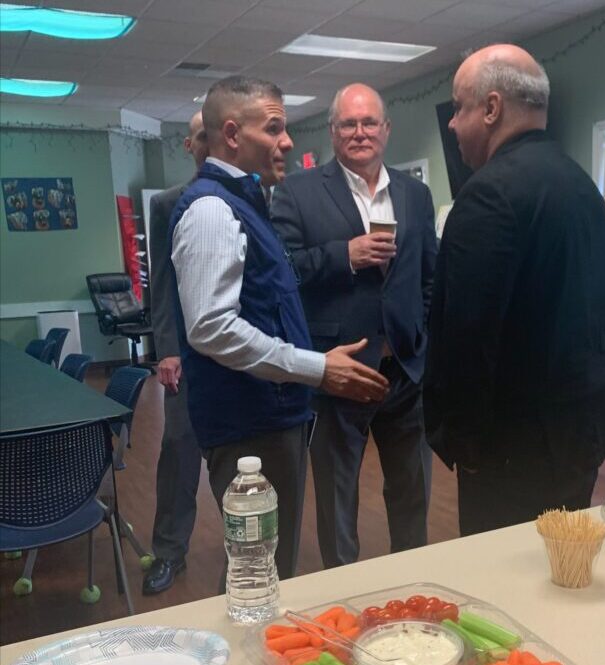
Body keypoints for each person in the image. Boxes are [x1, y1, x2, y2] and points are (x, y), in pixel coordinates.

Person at [168, 75, 389, 583]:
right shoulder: (211, 210)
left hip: (269, 420)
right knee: (258, 574)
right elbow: (212, 328)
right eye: (274, 129)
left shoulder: (247, 203)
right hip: (249, 429)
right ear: (231, 134)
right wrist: (315, 368)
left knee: (270, 566)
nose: (287, 142)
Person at [424, 44, 605, 536]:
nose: (451, 124)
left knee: (507, 586)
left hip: (512, 448)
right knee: (561, 567)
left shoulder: (488, 194)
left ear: (491, 109)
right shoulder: (583, 187)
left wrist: (463, 446)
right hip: (578, 434)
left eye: (459, 107)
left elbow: (468, 336)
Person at [271, 84, 437, 568]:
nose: (360, 133)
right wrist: (342, 255)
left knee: (413, 493)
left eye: (369, 123)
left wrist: (422, 338)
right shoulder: (297, 191)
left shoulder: (415, 194)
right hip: (339, 374)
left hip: (405, 371)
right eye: (349, 124)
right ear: (332, 132)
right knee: (338, 501)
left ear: (386, 129)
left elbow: (429, 274)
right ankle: (342, 593)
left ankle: (412, 584)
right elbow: (280, 271)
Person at [143, 112, 208, 596]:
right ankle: (168, 552)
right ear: (190, 144)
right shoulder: (169, 204)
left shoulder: (255, 198)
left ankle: (249, 551)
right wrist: (166, 349)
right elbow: (161, 285)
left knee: (245, 462)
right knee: (179, 452)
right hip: (188, 355)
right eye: (202, 135)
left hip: (244, 357)